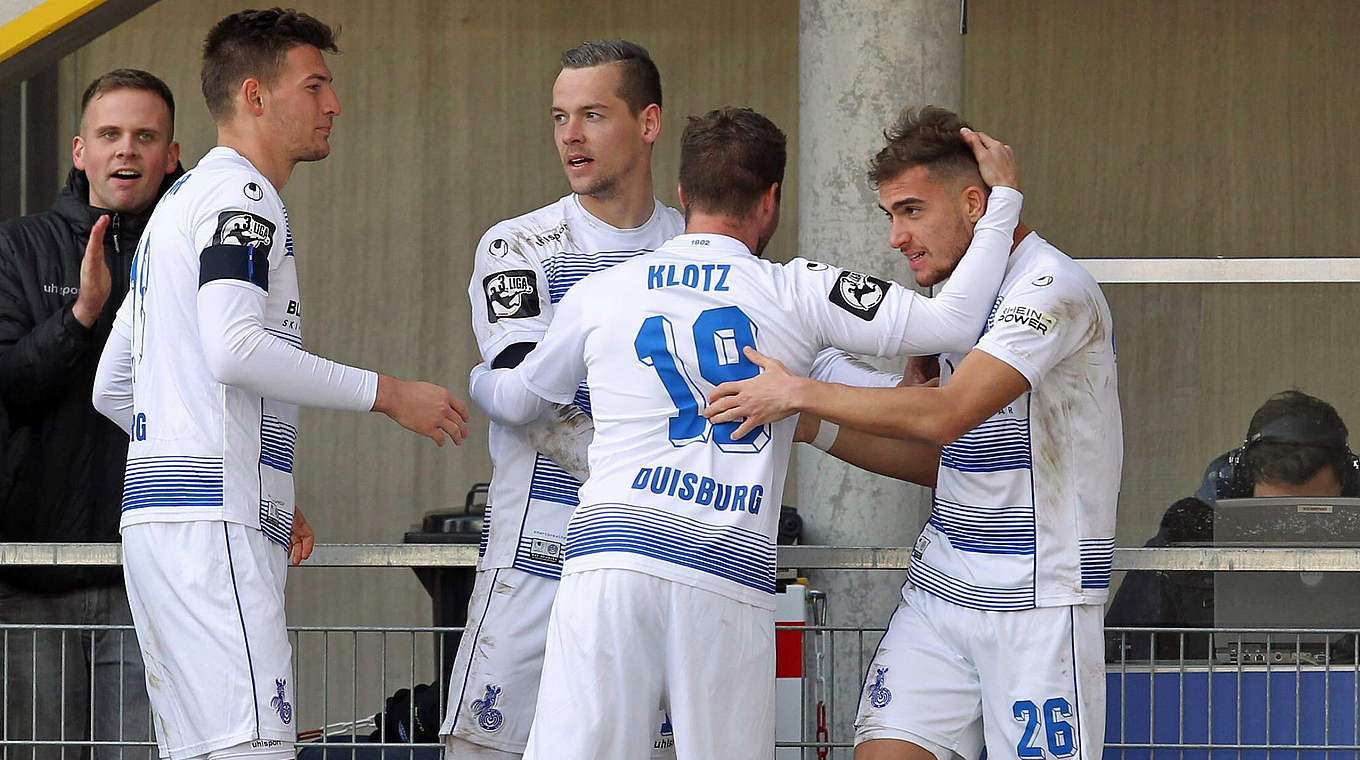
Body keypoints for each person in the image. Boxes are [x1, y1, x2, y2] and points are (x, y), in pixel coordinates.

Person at [468, 106, 1022, 759]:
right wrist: (1004, 200)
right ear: (771, 200)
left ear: (682, 195)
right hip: (722, 568)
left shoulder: (602, 292)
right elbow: (954, 323)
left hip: (607, 562)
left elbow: (515, 397)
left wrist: (480, 375)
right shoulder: (797, 289)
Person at [90, 10, 469, 760]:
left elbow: (111, 386)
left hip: (160, 526)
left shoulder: (177, 203)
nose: (334, 105)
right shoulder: (243, 197)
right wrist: (390, 393)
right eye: (316, 85)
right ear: (256, 96)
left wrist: (260, 481)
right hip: (211, 532)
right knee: (255, 747)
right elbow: (234, 349)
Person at [704, 106, 1121, 760]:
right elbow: (943, 457)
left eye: (912, 211)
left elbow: (946, 414)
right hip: (940, 592)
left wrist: (799, 390)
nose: (896, 238)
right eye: (889, 216)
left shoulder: (1049, 286)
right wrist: (810, 422)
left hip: (1038, 605)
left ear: (977, 203)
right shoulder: (956, 308)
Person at [439, 39, 684, 760]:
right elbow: (528, 400)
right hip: (534, 566)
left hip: (653, 567)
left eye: (592, 116)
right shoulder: (519, 246)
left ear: (648, 123)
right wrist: (643, 463)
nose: (570, 136)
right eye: (559, 117)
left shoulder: (690, 248)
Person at [0, 68, 182, 760]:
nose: (126, 151)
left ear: (170, 154)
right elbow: (10, 383)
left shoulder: (196, 251)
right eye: (110, 135)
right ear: (81, 150)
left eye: (145, 136)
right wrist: (80, 314)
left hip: (148, 581)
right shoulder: (18, 248)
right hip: (33, 574)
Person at [1105, 390, 1357, 661]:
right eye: (1276, 515)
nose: (1295, 531)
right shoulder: (1182, 544)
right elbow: (1118, 662)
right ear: (1242, 484)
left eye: (1316, 514)